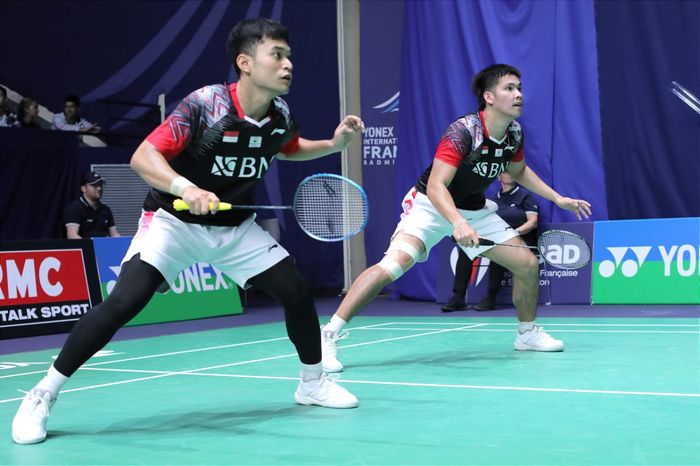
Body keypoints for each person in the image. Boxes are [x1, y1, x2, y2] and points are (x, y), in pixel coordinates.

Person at [12, 18, 364, 445]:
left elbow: (288, 149)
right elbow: (144, 156)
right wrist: (185, 186)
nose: (289, 64)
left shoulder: (279, 115)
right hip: (173, 222)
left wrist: (333, 144)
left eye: (289, 56)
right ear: (245, 62)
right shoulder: (205, 105)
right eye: (278, 55)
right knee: (125, 301)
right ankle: (41, 393)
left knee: (295, 290)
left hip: (234, 228)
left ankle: (311, 383)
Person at [320, 64, 592, 373]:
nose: (518, 95)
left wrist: (557, 198)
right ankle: (328, 333)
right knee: (395, 264)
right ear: (489, 97)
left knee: (527, 264)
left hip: (474, 209)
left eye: (519, 88)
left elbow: (518, 171)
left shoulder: (513, 133)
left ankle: (527, 333)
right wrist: (456, 223)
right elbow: (437, 185)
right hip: (430, 205)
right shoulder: (463, 132)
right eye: (509, 89)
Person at [441, 171, 538, 312]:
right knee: (466, 250)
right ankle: (458, 298)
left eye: (512, 172)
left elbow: (532, 222)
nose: (510, 174)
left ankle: (490, 298)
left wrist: (513, 233)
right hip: (493, 237)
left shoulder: (524, 196)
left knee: (500, 248)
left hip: (516, 240)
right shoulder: (493, 201)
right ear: (499, 177)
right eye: (505, 172)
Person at [63, 171, 120, 239]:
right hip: (85, 248)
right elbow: (72, 236)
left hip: (105, 248)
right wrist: (90, 246)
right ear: (83, 188)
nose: (99, 188)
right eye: (94, 185)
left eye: (100, 185)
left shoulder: (106, 209)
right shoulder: (74, 208)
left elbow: (114, 234)